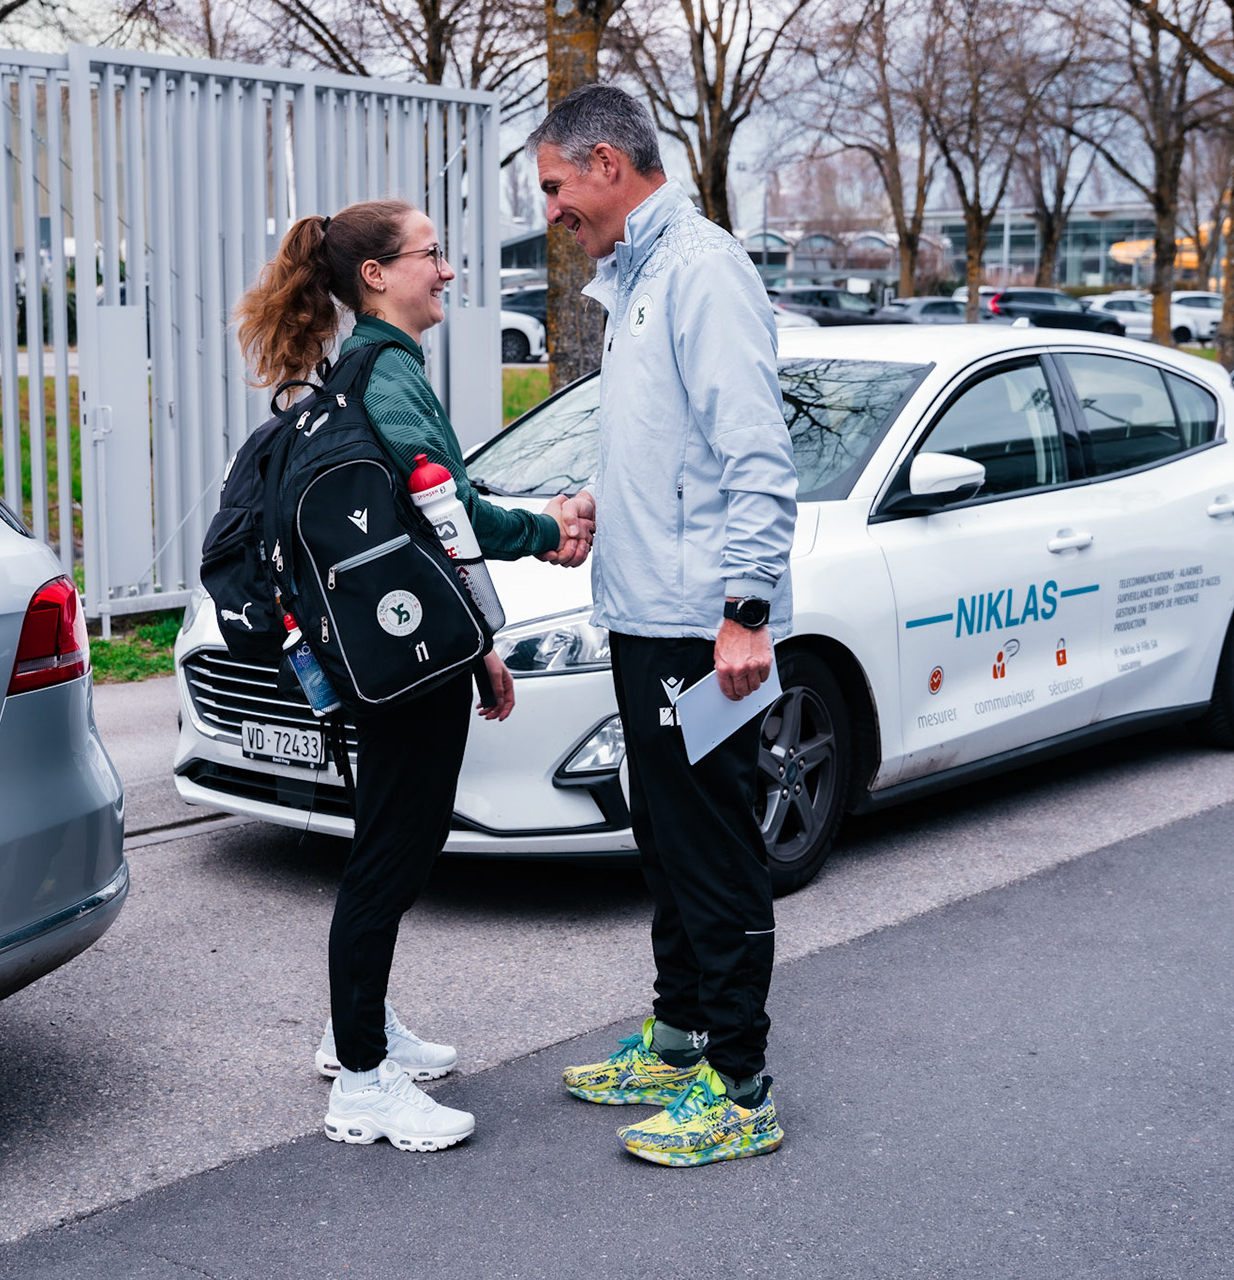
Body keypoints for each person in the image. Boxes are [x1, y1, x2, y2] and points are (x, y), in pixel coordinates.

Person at [234, 199, 594, 1153]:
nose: (446, 269)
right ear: (376, 276)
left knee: (387, 843)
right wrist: (549, 531)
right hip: (401, 668)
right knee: (394, 851)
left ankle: (357, 1025)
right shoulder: (386, 375)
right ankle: (360, 1080)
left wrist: (475, 639)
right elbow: (458, 517)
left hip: (390, 653)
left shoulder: (356, 370)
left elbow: (417, 529)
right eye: (432, 254)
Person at [532, 86, 798, 1167]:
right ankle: (681, 1037)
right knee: (667, 838)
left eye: (555, 186)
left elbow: (755, 456)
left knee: (716, 848)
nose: (552, 209)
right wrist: (609, 501)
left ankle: (739, 1087)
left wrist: (745, 610)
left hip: (701, 628)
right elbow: (671, 445)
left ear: (605, 163)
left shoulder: (700, 270)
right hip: (647, 616)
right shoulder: (637, 279)